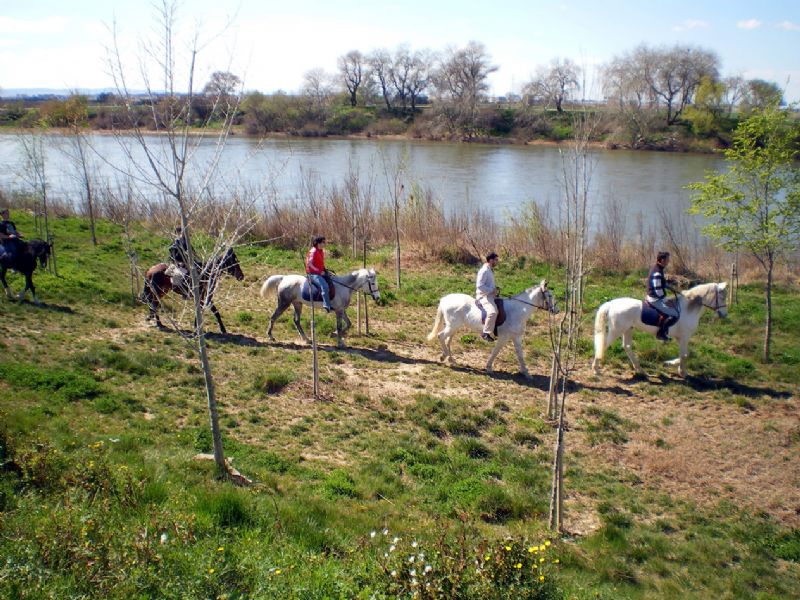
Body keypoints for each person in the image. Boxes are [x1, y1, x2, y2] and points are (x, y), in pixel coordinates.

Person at [646, 251, 678, 342]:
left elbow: (661, 283)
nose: (669, 261)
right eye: (668, 259)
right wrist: (666, 300)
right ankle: (661, 333)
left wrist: (669, 287)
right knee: (674, 314)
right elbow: (658, 290)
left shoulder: (658, 268)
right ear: (662, 260)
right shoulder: (657, 272)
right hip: (654, 299)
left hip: (655, 296)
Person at [476, 251, 500, 342]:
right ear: (490, 260)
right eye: (496, 260)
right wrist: (491, 290)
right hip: (483, 296)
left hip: (490, 295)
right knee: (493, 312)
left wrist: (494, 289)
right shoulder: (484, 271)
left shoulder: (489, 269)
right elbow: (479, 286)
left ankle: (495, 329)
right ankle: (486, 333)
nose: (497, 262)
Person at [306, 236, 332, 312]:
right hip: (312, 274)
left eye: (325, 242)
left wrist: (325, 270)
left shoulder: (320, 251)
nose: (324, 244)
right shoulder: (313, 251)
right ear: (318, 243)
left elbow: (320, 263)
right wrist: (319, 271)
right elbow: (309, 264)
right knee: (325, 286)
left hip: (320, 272)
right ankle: (326, 305)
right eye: (323, 242)